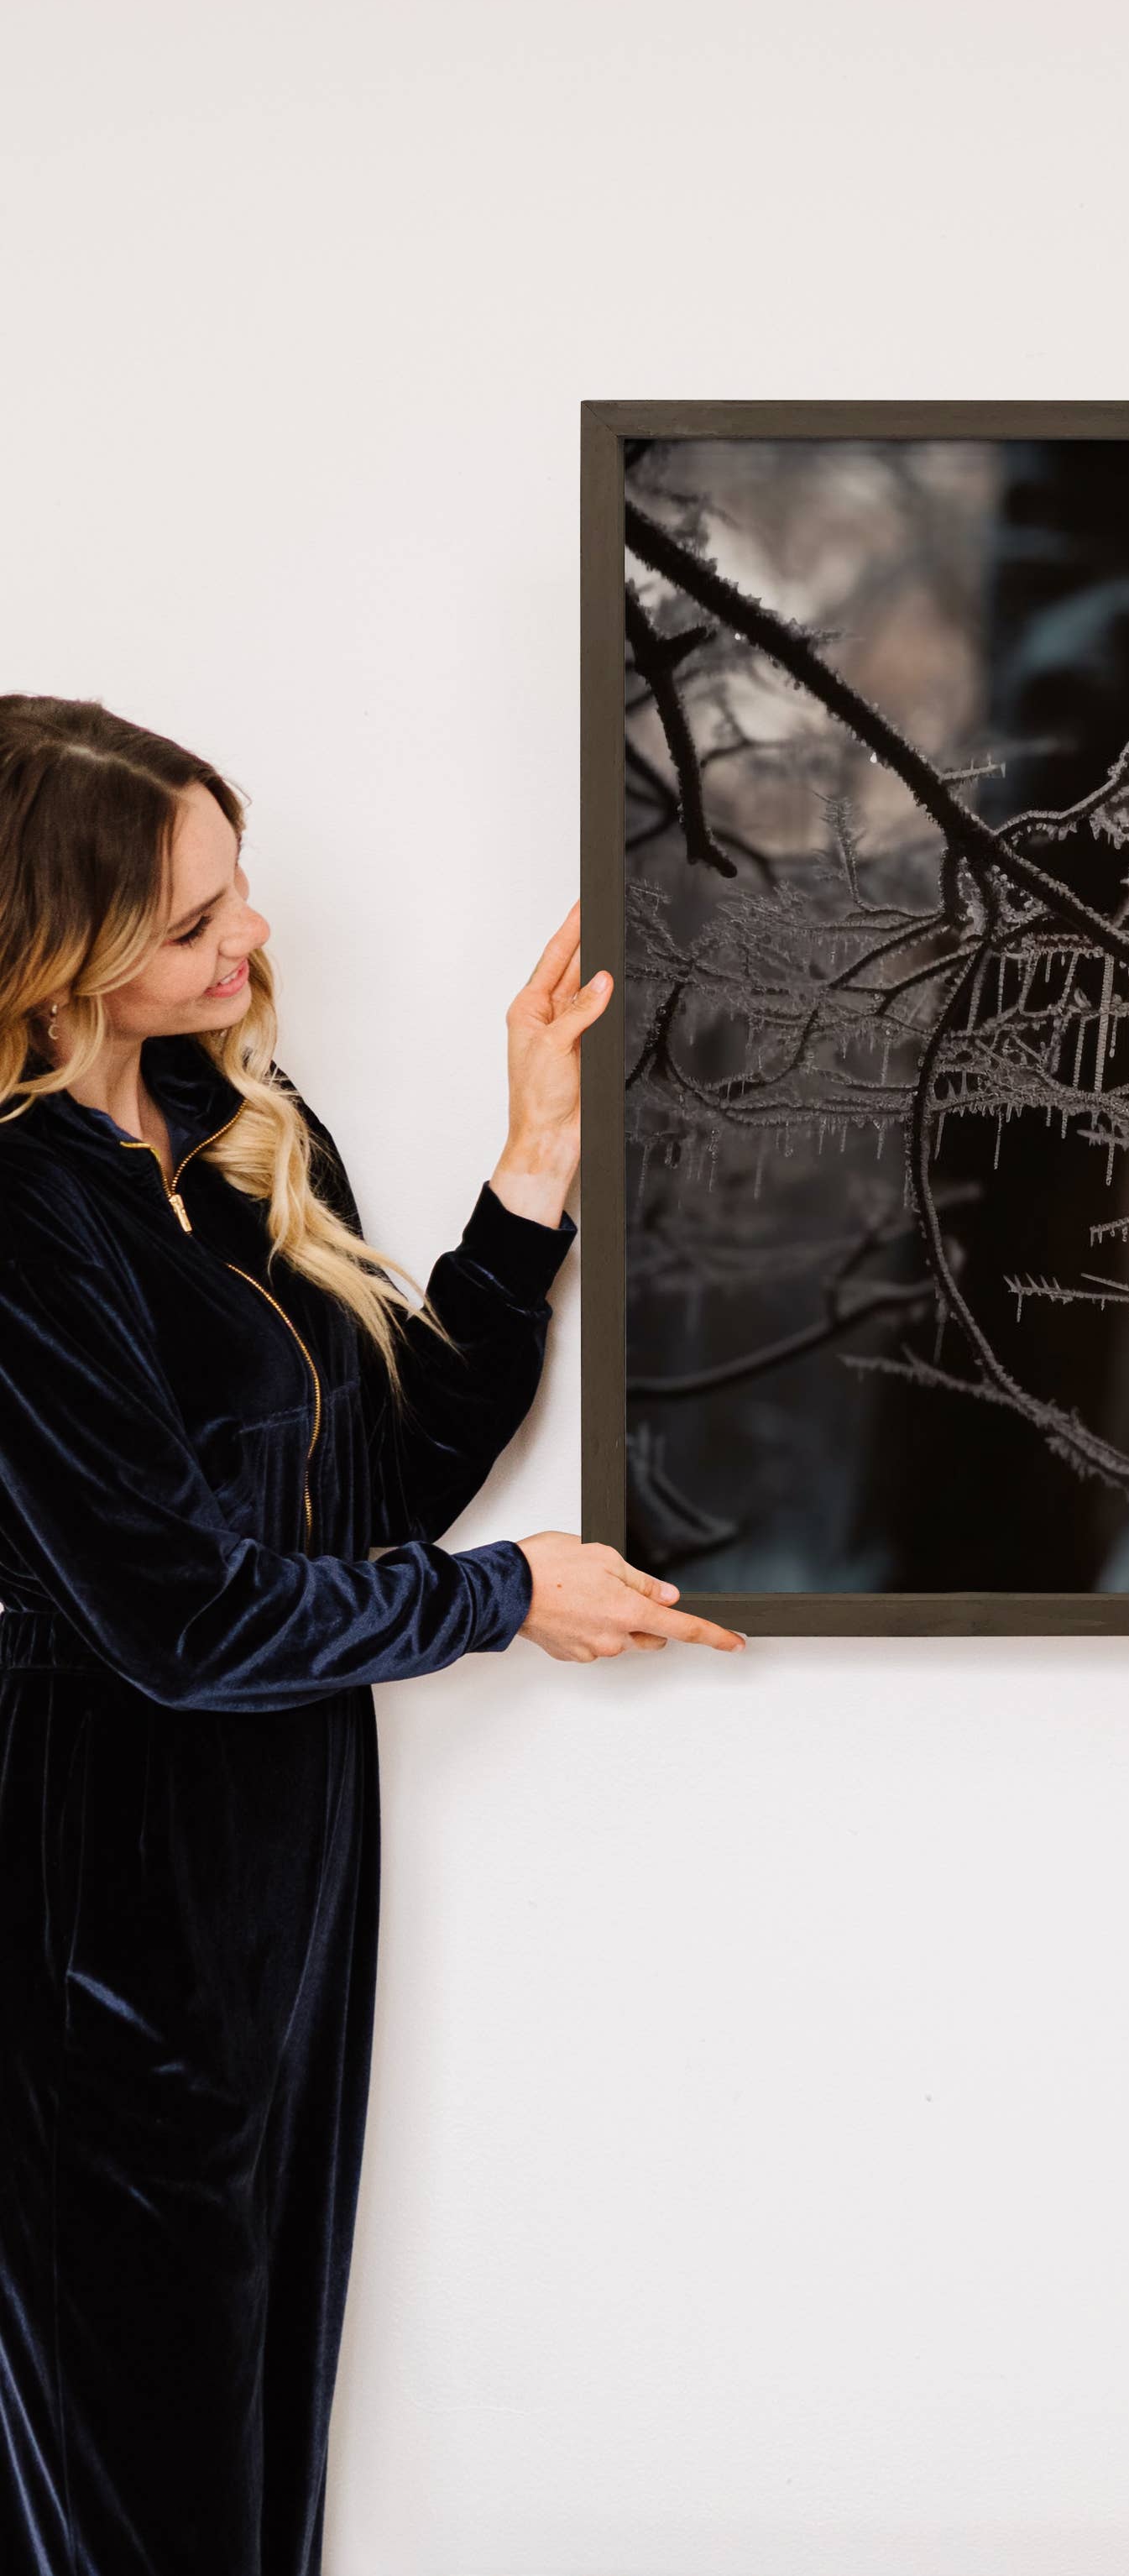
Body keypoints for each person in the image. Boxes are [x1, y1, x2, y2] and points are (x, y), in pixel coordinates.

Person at [0, 695, 745, 2576]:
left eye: (237, 889)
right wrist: (508, 1599)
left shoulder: (229, 1120)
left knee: (248, 2452)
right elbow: (174, 1619)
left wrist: (537, 1162)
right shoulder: (17, 1216)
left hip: (278, 1881)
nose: (249, 942)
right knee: (135, 2488)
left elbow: (381, 1478)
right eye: (192, 923)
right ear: (50, 948)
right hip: (84, 1910)